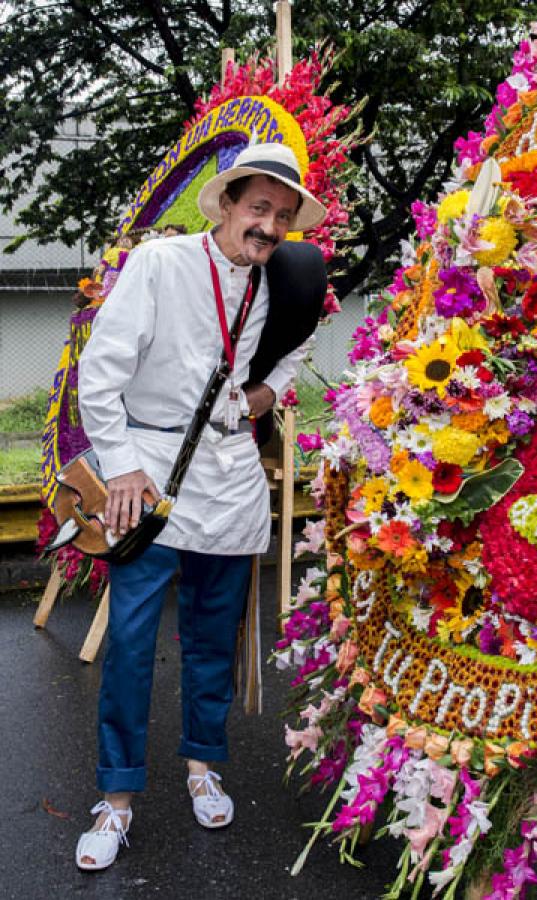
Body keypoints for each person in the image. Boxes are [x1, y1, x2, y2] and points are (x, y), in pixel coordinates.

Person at [75, 142, 327, 870]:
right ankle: (116, 799)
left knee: (213, 641)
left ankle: (203, 767)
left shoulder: (279, 277)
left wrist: (267, 392)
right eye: (259, 209)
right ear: (225, 204)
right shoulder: (159, 265)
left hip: (230, 477)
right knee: (128, 643)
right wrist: (120, 467)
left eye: (282, 216)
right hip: (149, 478)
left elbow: (293, 347)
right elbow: (101, 370)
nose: (270, 226)